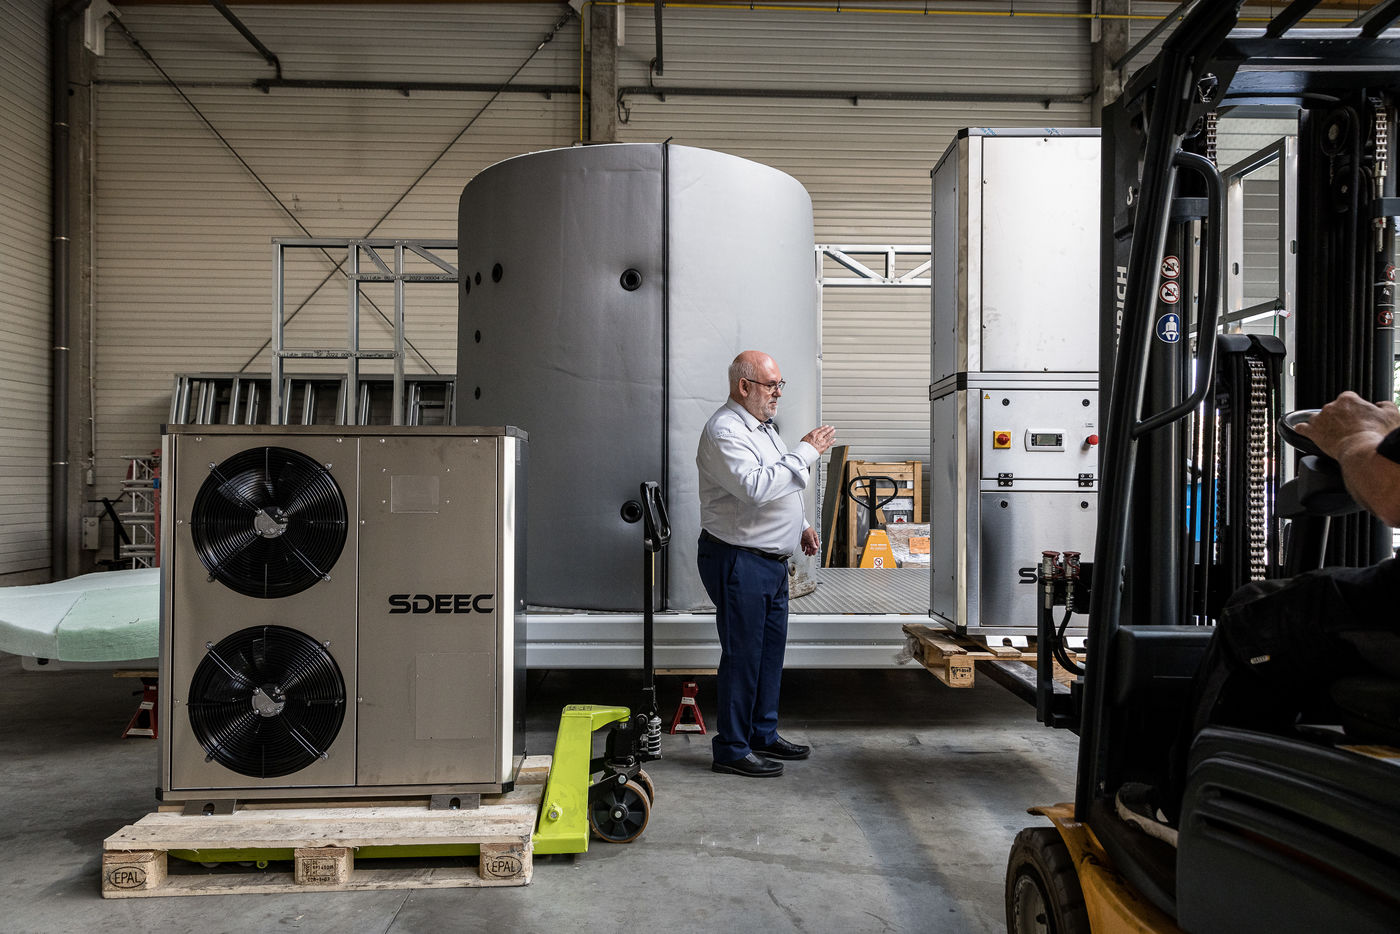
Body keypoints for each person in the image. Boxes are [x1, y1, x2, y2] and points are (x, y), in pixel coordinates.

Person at [695, 350, 836, 778]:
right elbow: (755, 488)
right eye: (771, 385)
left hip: (770, 562)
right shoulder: (724, 431)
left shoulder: (762, 428)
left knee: (769, 655)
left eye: (780, 385)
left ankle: (761, 733)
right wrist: (807, 451)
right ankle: (732, 749)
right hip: (739, 559)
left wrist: (802, 525)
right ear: (744, 386)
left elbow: (781, 483)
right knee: (743, 656)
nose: (778, 393)